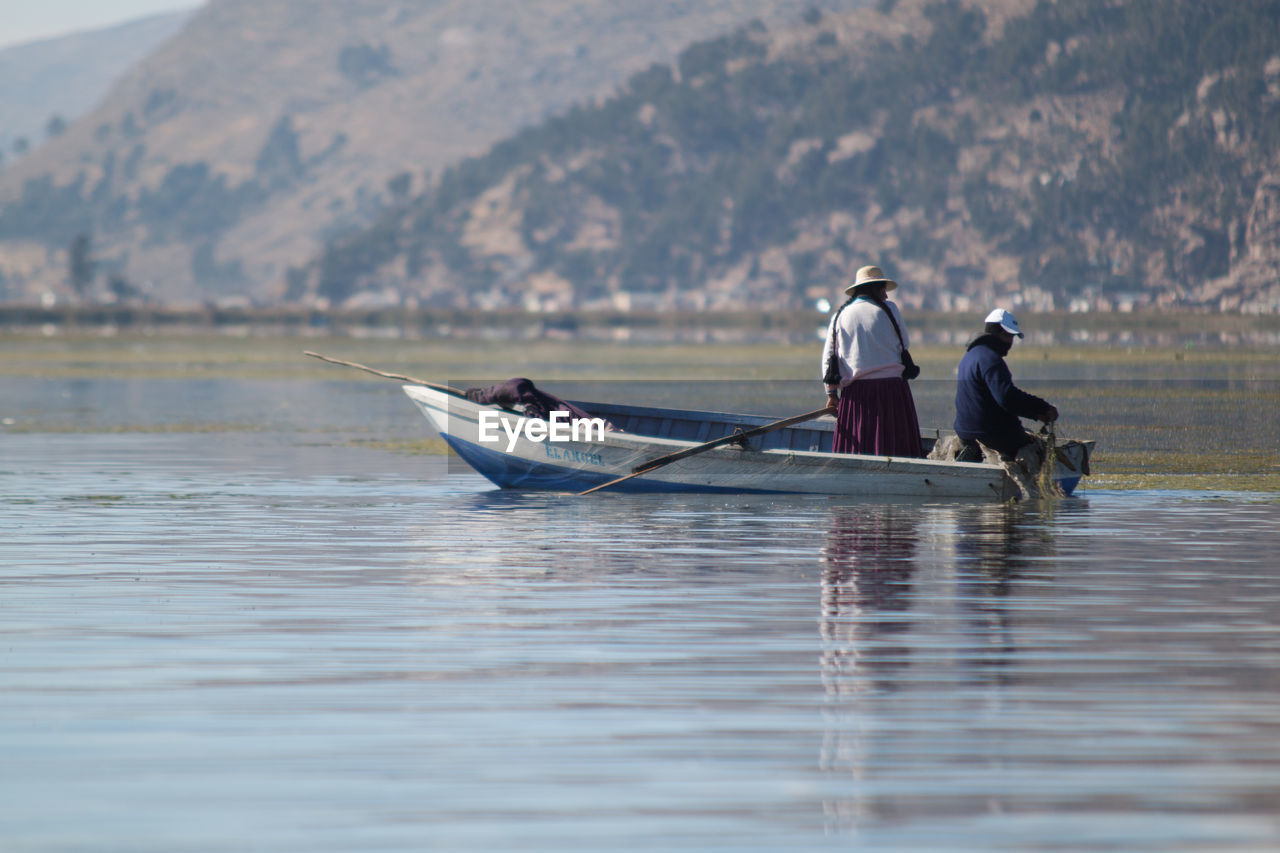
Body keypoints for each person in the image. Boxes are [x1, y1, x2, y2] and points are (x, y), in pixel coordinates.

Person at [821, 265, 923, 457]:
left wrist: (832, 394)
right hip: (893, 391)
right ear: (874, 289)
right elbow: (905, 343)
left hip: (857, 396)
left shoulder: (839, 316)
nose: (885, 296)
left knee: (858, 448)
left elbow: (828, 359)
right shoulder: (890, 310)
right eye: (882, 289)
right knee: (896, 445)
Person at [953, 308, 1059, 461]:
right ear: (998, 334)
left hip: (965, 432)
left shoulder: (970, 356)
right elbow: (1007, 398)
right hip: (989, 435)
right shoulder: (991, 360)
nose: (1011, 342)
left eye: (1012, 337)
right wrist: (1042, 408)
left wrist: (1036, 413)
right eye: (1008, 336)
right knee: (1034, 448)